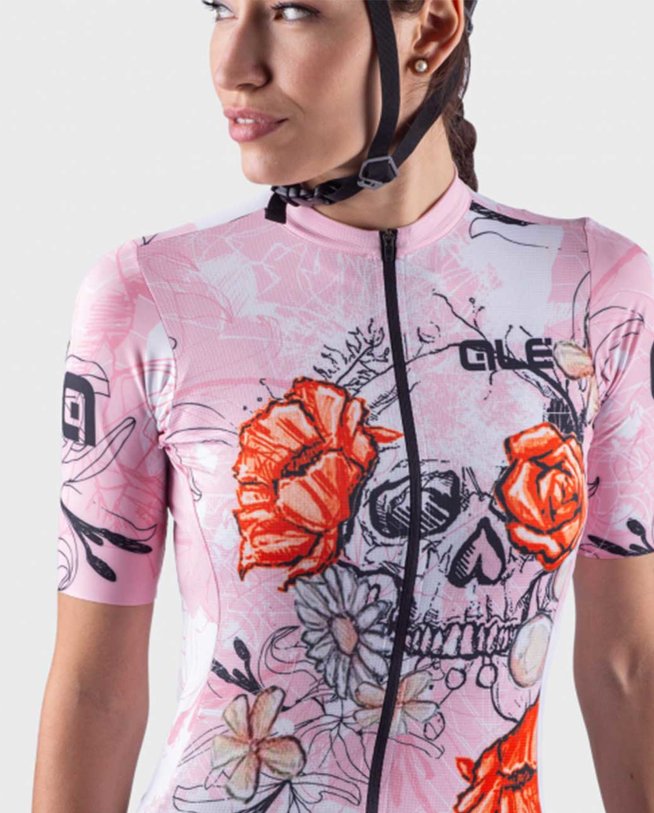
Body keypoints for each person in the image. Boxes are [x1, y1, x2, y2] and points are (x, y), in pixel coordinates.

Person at [32, 1, 654, 811]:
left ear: (432, 29)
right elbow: (95, 689)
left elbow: (627, 664)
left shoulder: (593, 290)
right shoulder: (151, 294)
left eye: (292, 10)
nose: (233, 65)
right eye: (222, 9)